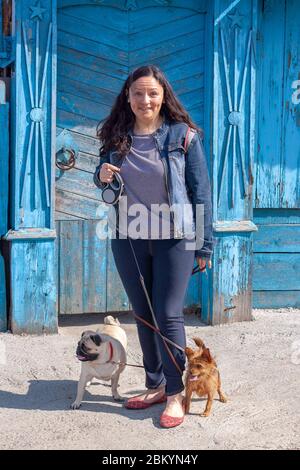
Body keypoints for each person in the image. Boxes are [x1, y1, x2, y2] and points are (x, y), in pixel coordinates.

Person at [94, 65, 213, 428]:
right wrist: (100, 173)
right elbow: (106, 184)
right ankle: (155, 384)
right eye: (138, 94)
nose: (145, 100)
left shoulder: (183, 136)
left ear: (163, 96)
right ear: (127, 98)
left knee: (168, 314)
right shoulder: (117, 138)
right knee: (143, 312)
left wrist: (204, 245)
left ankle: (176, 394)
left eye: (152, 93)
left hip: (174, 238)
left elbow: (201, 193)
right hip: (128, 238)